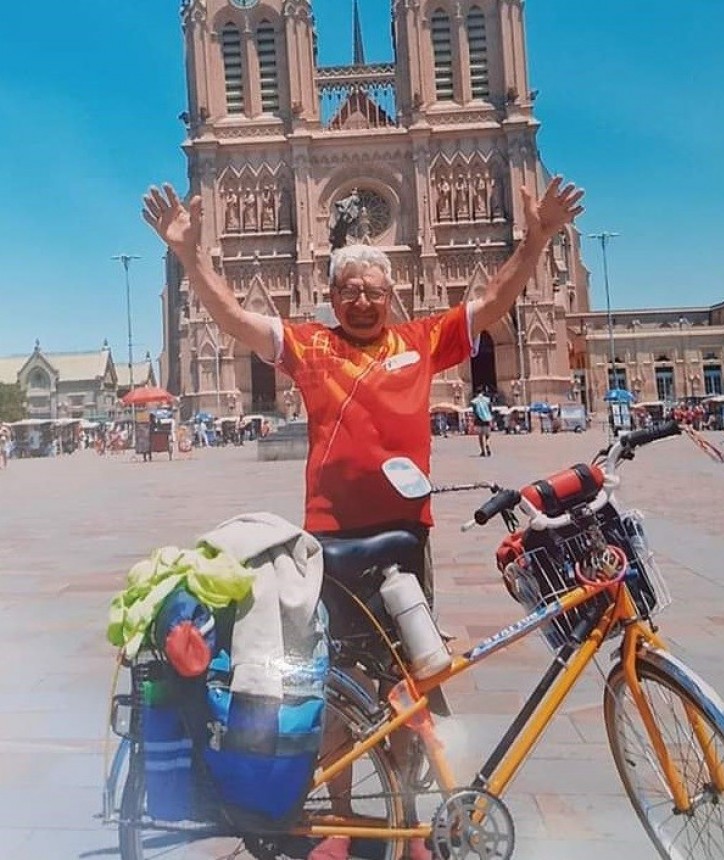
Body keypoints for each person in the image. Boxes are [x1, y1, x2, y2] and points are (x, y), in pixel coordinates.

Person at [142, 175, 584, 860]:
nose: (362, 300)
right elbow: (234, 320)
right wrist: (190, 256)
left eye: (373, 290)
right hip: (331, 544)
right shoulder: (312, 347)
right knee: (333, 685)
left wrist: (538, 237)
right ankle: (343, 819)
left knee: (409, 685)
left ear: (391, 294)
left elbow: (494, 301)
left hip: (404, 540)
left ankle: (410, 816)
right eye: (349, 289)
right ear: (333, 295)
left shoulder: (420, 341)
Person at [470, 388, 493, 456]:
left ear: (476, 393)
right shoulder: (487, 400)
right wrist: (490, 417)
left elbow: (474, 412)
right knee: (487, 435)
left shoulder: (474, 401)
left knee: (480, 437)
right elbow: (490, 410)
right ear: (482, 392)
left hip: (478, 420)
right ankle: (487, 444)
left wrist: (474, 420)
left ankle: (483, 451)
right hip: (487, 419)